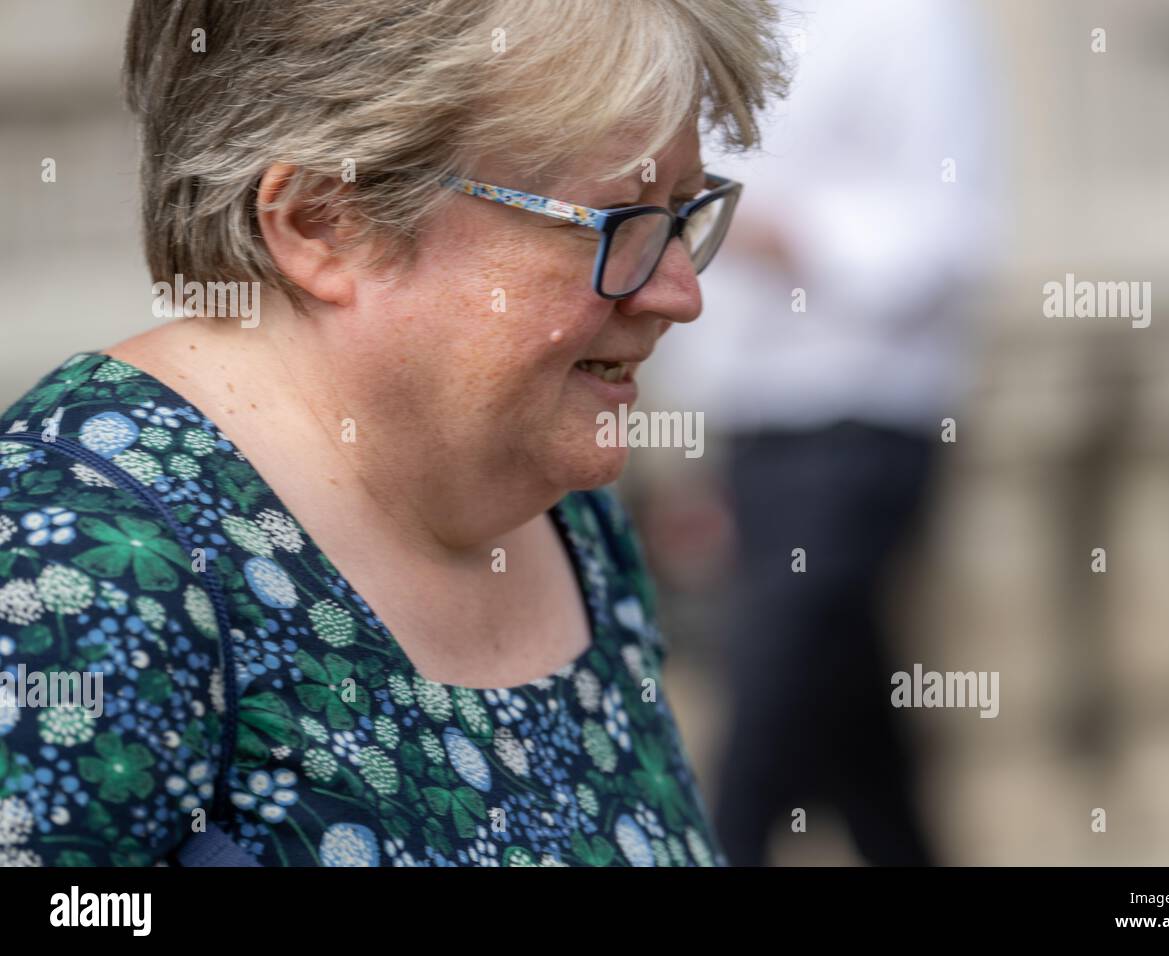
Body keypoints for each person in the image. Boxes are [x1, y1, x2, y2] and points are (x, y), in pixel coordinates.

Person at [0, 0, 789, 867]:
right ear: (324, 222)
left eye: (682, 210)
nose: (679, 292)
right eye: (617, 222)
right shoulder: (82, 567)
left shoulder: (555, 502)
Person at [646, 0, 1002, 864]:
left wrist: (784, 235)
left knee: (768, 704)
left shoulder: (913, 23)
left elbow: (953, 235)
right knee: (853, 731)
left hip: (864, 415)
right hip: (750, 430)